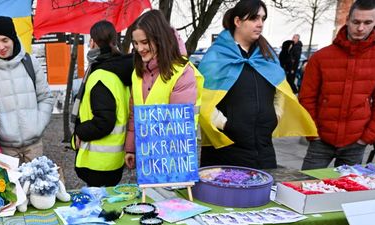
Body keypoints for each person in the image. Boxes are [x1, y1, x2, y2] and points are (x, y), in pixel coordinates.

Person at [198, 0, 316, 169]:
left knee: (264, 194)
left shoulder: (267, 56)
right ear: (238, 22)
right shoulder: (216, 57)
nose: (260, 24)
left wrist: (274, 117)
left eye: (263, 18)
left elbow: (280, 91)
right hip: (227, 149)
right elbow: (202, 100)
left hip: (264, 149)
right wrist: (227, 125)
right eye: (254, 18)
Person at [299, 0, 375, 170]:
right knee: (304, 185)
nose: (360, 28)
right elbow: (306, 98)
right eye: (356, 22)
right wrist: (312, 132)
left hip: (356, 140)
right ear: (347, 19)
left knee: (347, 193)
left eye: (367, 23)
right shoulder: (321, 57)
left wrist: (368, 137)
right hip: (321, 138)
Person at [124, 9, 202, 170]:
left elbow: (178, 125)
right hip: (148, 159)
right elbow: (134, 114)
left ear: (160, 40)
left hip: (173, 162)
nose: (139, 48)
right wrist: (131, 148)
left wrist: (154, 158)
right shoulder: (137, 73)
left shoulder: (182, 72)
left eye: (145, 42)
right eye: (136, 43)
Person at [0, 15, 54, 164]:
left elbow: (45, 97)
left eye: (5, 40)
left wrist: (38, 125)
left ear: (13, 39)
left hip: (34, 146)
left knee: (36, 187)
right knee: (10, 187)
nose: (1, 47)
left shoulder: (31, 62)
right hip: (3, 149)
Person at [72, 20, 133, 187]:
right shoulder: (118, 70)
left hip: (98, 163)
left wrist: (79, 132)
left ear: (92, 42)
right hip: (113, 160)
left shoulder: (101, 76)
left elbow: (104, 122)